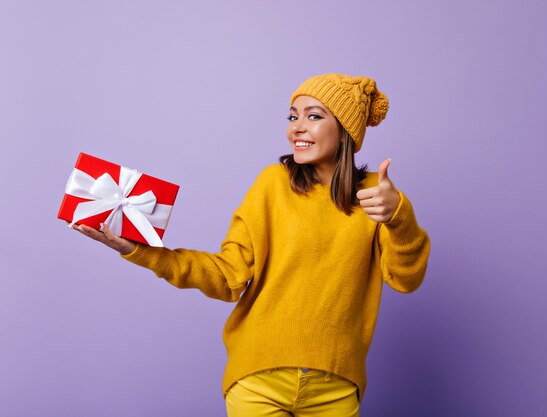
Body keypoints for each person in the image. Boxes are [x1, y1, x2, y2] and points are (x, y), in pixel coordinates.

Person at [74, 73, 431, 417]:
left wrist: (398, 214)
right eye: (293, 116)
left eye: (314, 116)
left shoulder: (376, 195)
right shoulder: (273, 184)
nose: (297, 127)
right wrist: (140, 251)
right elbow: (229, 276)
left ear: (345, 131)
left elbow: (405, 279)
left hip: (336, 384)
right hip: (259, 378)